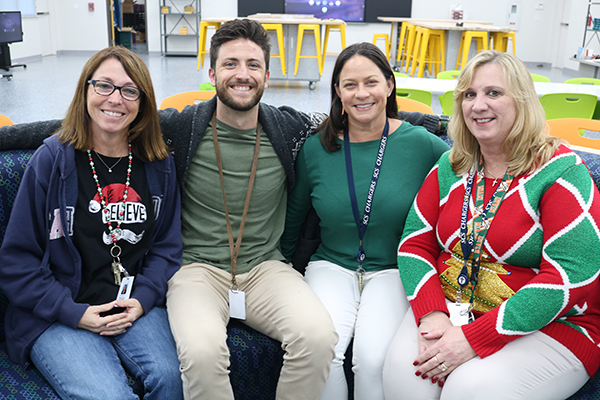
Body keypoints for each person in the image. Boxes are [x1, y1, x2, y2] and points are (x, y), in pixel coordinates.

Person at [0, 19, 447, 400]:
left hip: (266, 269)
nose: (242, 73)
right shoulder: (178, 127)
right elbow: (86, 123)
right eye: (230, 63)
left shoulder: (290, 127)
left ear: (268, 76)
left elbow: (361, 116)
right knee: (199, 350)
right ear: (211, 72)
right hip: (198, 270)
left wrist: (436, 124)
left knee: (316, 337)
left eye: (253, 64)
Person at [382, 50, 600, 400]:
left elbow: (572, 274)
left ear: (523, 101)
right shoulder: (451, 165)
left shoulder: (561, 171)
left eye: (493, 93)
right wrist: (431, 314)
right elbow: (414, 243)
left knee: (469, 389)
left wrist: (476, 337)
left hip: (554, 325)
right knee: (402, 375)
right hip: (452, 306)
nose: (478, 105)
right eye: (469, 95)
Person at [0, 46, 183, 399]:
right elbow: (16, 261)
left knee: (174, 379)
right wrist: (73, 312)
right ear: (85, 90)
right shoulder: (51, 161)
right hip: (59, 311)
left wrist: (143, 298)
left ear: (143, 103)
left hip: (131, 305)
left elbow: (166, 248)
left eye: (130, 90)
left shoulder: (158, 164)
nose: (115, 99)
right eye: (103, 86)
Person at [280, 42, 449, 400]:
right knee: (321, 353)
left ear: (389, 85)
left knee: (372, 360)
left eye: (371, 82)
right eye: (350, 85)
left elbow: (474, 171)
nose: (361, 94)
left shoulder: (423, 144)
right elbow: (293, 217)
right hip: (331, 265)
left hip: (393, 269)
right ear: (337, 92)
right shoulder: (317, 148)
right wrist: (282, 269)